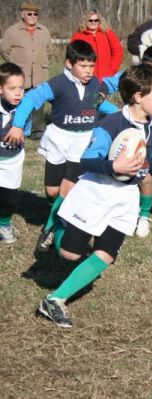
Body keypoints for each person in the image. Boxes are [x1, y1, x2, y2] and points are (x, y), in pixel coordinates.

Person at [37, 64, 152, 328]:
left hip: (125, 198)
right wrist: (114, 167)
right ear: (138, 97)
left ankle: (55, 300)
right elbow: (86, 160)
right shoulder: (109, 124)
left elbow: (149, 153)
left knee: (106, 254)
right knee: (70, 254)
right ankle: (58, 222)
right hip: (95, 193)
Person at [5, 40, 118, 253]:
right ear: (69, 63)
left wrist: (119, 114)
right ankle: (59, 211)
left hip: (83, 142)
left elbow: (96, 103)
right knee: (52, 191)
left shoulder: (95, 84)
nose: (88, 71)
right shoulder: (57, 84)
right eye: (82, 66)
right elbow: (29, 99)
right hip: (58, 139)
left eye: (91, 66)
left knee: (67, 189)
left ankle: (50, 228)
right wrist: (18, 126)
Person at [99, 46, 152, 238]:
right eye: (146, 67)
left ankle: (144, 216)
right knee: (116, 172)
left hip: (150, 136)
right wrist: (114, 112)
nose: (150, 73)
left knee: (143, 176)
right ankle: (113, 211)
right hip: (124, 132)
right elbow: (100, 90)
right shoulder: (132, 77)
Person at [0, 2, 53, 137]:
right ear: (22, 14)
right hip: (20, 74)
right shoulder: (12, 31)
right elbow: (5, 51)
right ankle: (15, 127)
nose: (33, 16)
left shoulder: (44, 30)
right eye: (29, 13)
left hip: (39, 73)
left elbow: (49, 51)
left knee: (38, 104)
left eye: (35, 14)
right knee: (17, 101)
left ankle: (38, 131)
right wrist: (16, 64)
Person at [0, 63, 29, 244]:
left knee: (9, 200)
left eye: (21, 88)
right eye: (12, 88)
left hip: (12, 160)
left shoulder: (25, 108)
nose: (18, 93)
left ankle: (4, 223)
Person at [70, 9, 123, 83]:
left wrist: (112, 69)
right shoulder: (78, 36)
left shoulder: (107, 33)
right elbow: (72, 55)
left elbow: (118, 51)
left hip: (107, 78)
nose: (93, 22)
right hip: (85, 78)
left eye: (96, 20)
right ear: (85, 21)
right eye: (90, 20)